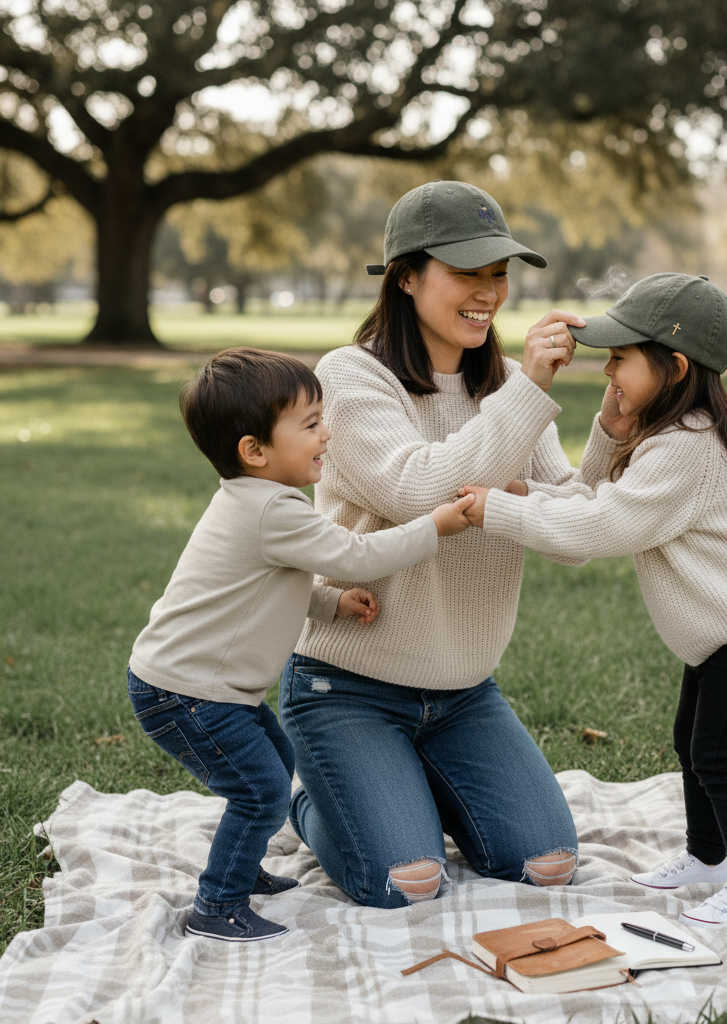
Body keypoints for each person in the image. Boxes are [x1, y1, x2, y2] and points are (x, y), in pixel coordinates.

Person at [460, 273, 727, 926]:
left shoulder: (687, 449)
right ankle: (707, 859)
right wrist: (599, 433)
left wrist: (498, 512)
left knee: (717, 757)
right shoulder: (667, 432)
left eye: (621, 359)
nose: (608, 371)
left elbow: (600, 526)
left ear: (674, 368)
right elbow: (592, 493)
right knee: (690, 743)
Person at [280, 181, 586, 908]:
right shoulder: (351, 376)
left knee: (546, 865)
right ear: (406, 277)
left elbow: (573, 530)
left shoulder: (510, 388)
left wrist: (609, 425)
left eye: (499, 274)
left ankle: (405, 783)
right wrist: (524, 411)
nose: (489, 293)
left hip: (464, 692)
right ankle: (311, 796)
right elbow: (420, 492)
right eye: (467, 273)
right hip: (347, 687)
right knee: (403, 882)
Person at [128, 347, 475, 941]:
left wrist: (330, 602)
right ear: (254, 451)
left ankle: (241, 865)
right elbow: (358, 555)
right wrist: (435, 525)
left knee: (275, 765)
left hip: (193, 686)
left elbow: (272, 584)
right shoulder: (274, 511)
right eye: (311, 424)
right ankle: (218, 907)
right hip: (189, 692)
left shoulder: (255, 503)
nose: (327, 433)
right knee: (261, 790)